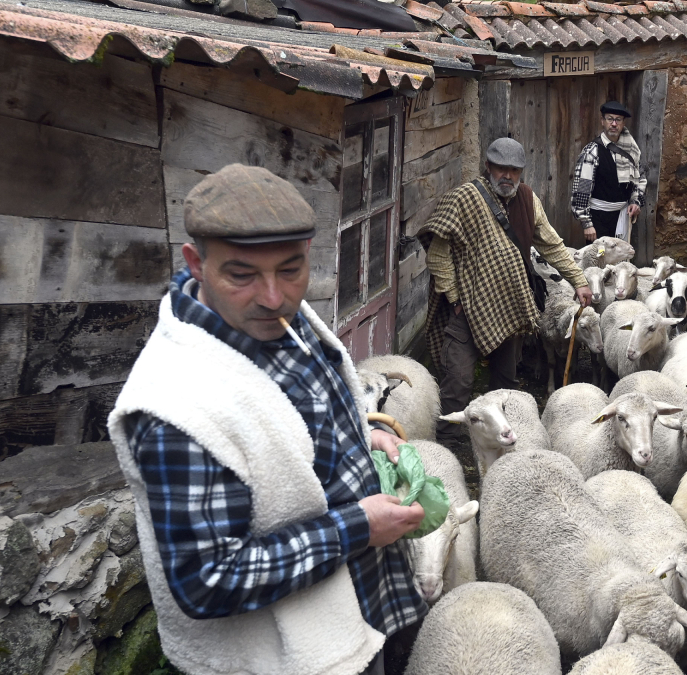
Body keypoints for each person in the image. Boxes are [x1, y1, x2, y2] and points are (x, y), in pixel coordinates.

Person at [108, 164, 424, 675]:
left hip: (359, 610)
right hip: (292, 657)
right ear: (195, 263)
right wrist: (359, 527)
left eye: (292, 269)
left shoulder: (277, 320)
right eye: (241, 274)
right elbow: (207, 579)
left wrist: (361, 438)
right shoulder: (174, 407)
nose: (275, 296)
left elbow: (290, 420)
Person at [421, 138, 592, 442]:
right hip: (469, 308)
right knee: (458, 380)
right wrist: (455, 298)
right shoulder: (463, 199)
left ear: (522, 172)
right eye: (501, 168)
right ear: (488, 167)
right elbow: (437, 254)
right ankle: (447, 445)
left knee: (505, 381)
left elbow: (551, 244)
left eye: (514, 170)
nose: (508, 176)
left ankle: (501, 440)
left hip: (509, 306)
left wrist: (578, 279)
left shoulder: (527, 199)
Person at [570, 100, 648, 243]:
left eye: (618, 120)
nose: (614, 124)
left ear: (623, 123)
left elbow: (640, 178)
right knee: (599, 262)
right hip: (598, 220)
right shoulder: (592, 151)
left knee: (621, 263)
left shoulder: (632, 149)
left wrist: (636, 201)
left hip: (623, 216)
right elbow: (581, 190)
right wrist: (587, 223)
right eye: (610, 119)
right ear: (602, 121)